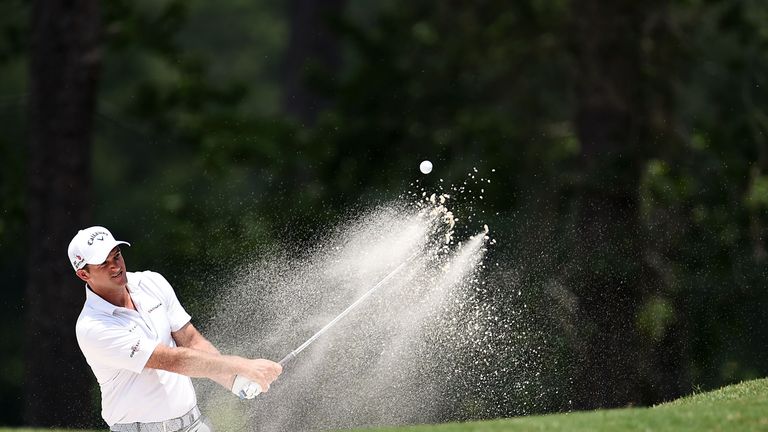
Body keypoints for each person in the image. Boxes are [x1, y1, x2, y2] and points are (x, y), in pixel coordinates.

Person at [68, 226, 281, 431]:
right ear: (84, 274)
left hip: (195, 424)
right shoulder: (93, 327)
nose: (116, 266)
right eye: (103, 264)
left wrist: (234, 379)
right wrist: (243, 365)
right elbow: (172, 360)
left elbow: (191, 341)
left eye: (116, 256)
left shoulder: (151, 282)